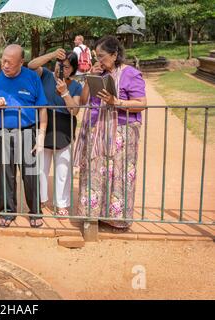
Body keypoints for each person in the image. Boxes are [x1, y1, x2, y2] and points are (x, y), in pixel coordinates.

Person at [74, 35, 147, 232]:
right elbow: (82, 101)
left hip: (121, 132)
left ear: (115, 55)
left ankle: (116, 218)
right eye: (96, 56)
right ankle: (92, 214)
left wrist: (117, 102)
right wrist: (90, 78)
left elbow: (142, 104)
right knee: (93, 171)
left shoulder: (131, 74)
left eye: (102, 56)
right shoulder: (96, 72)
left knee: (118, 173)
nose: (99, 60)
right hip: (96, 129)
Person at [0, 44, 48, 228]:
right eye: (3, 60)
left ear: (21, 62)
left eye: (10, 62)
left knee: (30, 174)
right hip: (3, 132)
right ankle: (7, 212)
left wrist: (41, 135)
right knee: (6, 174)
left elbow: (42, 108)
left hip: (28, 132)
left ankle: (35, 212)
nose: (5, 65)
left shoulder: (32, 77)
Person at [28, 49, 82, 217]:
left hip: (64, 126)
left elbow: (74, 110)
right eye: (60, 65)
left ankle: (62, 203)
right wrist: (52, 55)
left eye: (66, 67)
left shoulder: (76, 86)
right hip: (44, 124)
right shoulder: (45, 75)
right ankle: (42, 199)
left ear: (73, 69)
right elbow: (30, 65)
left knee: (63, 168)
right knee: (42, 167)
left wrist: (65, 92)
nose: (62, 69)